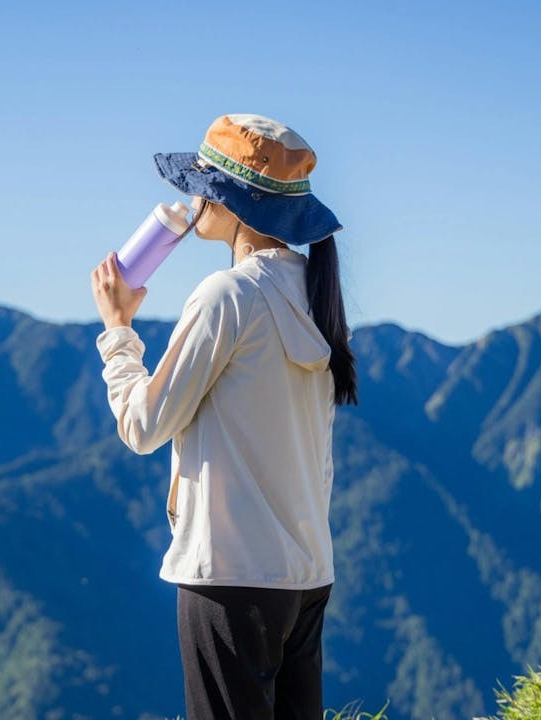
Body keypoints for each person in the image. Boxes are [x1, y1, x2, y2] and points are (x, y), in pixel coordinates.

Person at [89, 113, 358, 720]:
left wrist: (117, 330)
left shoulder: (228, 297)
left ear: (237, 201)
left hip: (229, 578)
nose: (193, 195)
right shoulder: (314, 296)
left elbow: (142, 425)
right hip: (307, 576)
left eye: (205, 181)